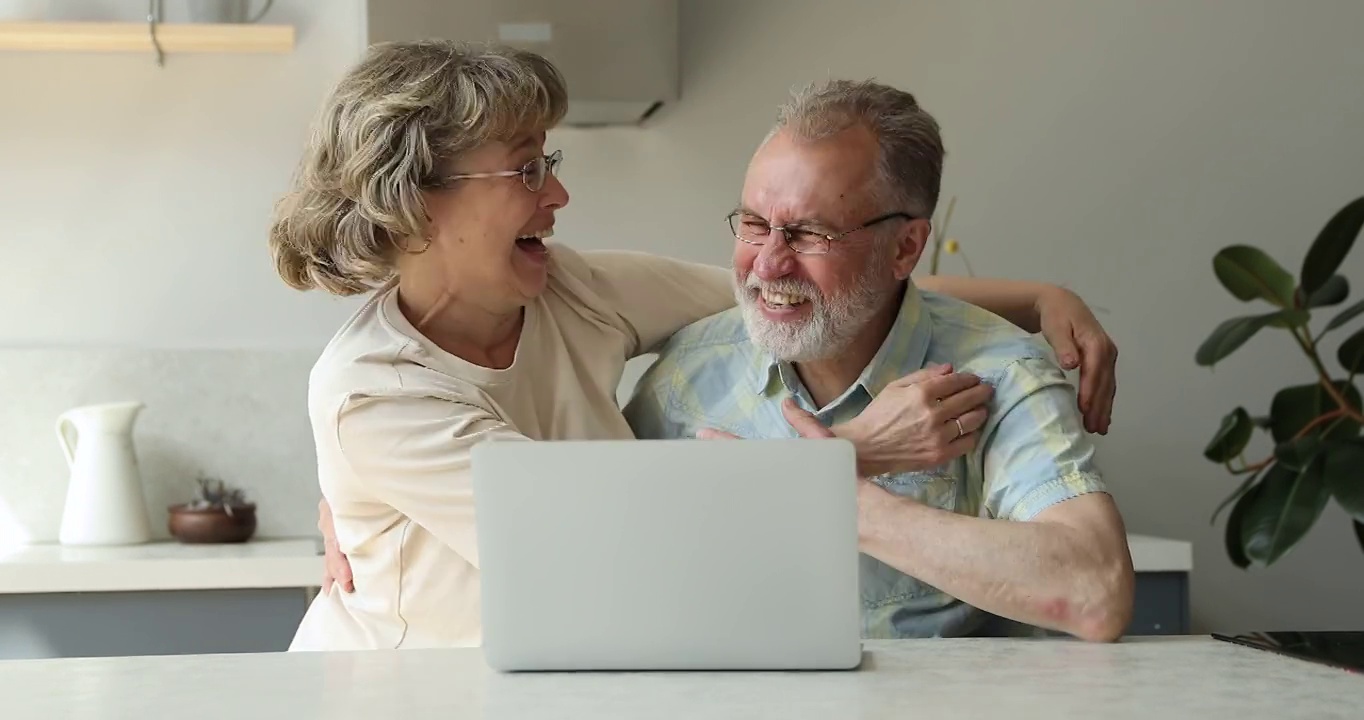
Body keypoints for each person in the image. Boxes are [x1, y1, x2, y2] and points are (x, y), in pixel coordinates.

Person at [271, 39, 1119, 651]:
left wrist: (1037, 297)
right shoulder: (373, 394)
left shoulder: (572, 288)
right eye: (526, 169)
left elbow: (794, 294)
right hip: (409, 693)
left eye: (550, 160)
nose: (559, 192)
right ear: (418, 205)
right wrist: (845, 460)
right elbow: (596, 537)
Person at [623, 78, 1134, 642]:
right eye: (753, 224)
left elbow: (1096, 590)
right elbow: (609, 559)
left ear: (906, 248)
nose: (767, 265)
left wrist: (848, 504)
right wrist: (821, 470)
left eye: (809, 233)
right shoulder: (686, 376)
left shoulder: (1000, 375)